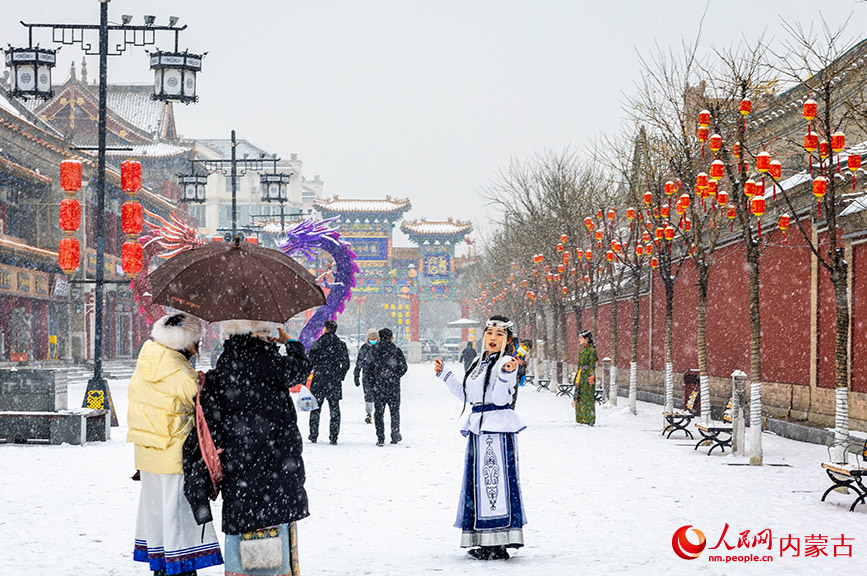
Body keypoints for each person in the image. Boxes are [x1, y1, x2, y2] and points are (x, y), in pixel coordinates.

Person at [183, 320, 312, 576]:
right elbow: (301, 369)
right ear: (259, 332)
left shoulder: (224, 366)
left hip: (239, 464)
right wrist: (290, 342)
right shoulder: (273, 364)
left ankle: (241, 570)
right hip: (277, 464)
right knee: (275, 519)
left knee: (243, 521)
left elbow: (212, 425)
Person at [127, 313, 223, 576]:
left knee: (159, 519)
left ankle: (162, 569)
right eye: (196, 343)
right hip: (174, 457)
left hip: (148, 456)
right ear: (185, 343)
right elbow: (204, 407)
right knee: (177, 523)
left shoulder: (148, 361)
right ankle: (178, 571)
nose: (198, 349)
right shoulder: (179, 372)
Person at [433, 315, 527, 561]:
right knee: (480, 485)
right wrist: (445, 376)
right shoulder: (478, 360)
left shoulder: (507, 362)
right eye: (489, 333)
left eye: (499, 335)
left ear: (507, 339)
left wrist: (507, 375)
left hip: (495, 430)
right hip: (479, 430)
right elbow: (468, 394)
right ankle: (485, 540)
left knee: (493, 484)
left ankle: (498, 542)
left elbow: (499, 400)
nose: (493, 338)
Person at [307, 320, 350, 444]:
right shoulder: (340, 344)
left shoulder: (317, 344)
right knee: (334, 409)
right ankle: (333, 436)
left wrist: (307, 377)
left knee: (316, 408)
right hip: (334, 380)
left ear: (325, 328)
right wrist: (340, 375)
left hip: (319, 378)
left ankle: (313, 434)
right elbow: (346, 364)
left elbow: (310, 363)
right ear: (335, 330)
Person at [368, 328, 407, 446]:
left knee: (379, 412)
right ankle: (395, 435)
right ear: (391, 337)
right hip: (393, 386)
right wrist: (395, 376)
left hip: (379, 386)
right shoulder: (396, 350)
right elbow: (404, 367)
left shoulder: (373, 350)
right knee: (394, 411)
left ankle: (380, 437)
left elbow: (368, 369)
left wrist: (374, 381)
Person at [572, 330, 598, 425]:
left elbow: (592, 365)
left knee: (588, 397)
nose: (579, 340)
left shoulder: (592, 350)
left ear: (586, 339)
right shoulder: (582, 350)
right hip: (581, 374)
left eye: (581, 338)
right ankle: (581, 418)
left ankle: (589, 419)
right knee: (580, 395)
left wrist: (592, 376)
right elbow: (579, 364)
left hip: (587, 375)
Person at [353, 328, 379, 423]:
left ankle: (378, 413)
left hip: (379, 375)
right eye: (371, 338)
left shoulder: (380, 347)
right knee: (368, 395)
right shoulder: (364, 348)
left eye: (375, 338)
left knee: (378, 395)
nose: (373, 340)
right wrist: (356, 374)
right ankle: (368, 414)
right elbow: (359, 361)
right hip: (367, 375)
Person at [510, 339, 533, 410]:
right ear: (523, 345)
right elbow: (508, 358)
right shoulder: (512, 347)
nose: (526, 351)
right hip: (510, 375)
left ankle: (511, 410)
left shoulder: (522, 352)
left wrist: (524, 363)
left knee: (513, 397)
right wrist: (517, 360)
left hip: (516, 376)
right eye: (526, 349)